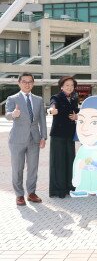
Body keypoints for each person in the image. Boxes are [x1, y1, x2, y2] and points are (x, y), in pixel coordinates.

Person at [5, 72, 47, 206]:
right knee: (17, 168)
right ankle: (19, 195)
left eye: (30, 82)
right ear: (19, 83)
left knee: (33, 167)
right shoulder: (12, 98)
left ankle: (31, 193)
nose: (27, 84)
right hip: (17, 139)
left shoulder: (39, 100)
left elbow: (42, 119)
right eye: (24, 81)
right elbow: (7, 115)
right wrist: (14, 114)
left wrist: (43, 137)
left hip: (34, 139)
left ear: (33, 84)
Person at [48, 76, 79, 199]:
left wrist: (76, 116)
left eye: (71, 85)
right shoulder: (56, 97)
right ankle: (58, 190)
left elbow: (77, 111)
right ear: (61, 86)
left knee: (70, 161)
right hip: (58, 135)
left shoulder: (74, 98)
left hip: (70, 135)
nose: (69, 87)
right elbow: (52, 107)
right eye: (67, 85)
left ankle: (70, 187)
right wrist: (51, 111)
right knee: (59, 162)